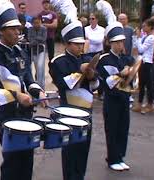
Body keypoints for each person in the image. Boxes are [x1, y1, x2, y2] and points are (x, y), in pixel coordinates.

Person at [0, 1, 47, 179]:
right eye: (13, 29)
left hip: (26, 113)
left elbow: (29, 80)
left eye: (19, 28)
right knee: (11, 163)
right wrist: (16, 96)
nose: (18, 32)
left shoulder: (20, 52)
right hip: (8, 115)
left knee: (27, 161)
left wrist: (38, 92)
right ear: (1, 31)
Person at [49, 20, 99, 180]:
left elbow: (98, 84)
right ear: (67, 43)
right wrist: (80, 70)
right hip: (69, 111)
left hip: (86, 111)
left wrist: (92, 76)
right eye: (76, 44)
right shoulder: (58, 62)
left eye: (81, 44)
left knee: (84, 149)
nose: (80, 47)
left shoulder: (86, 58)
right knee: (70, 151)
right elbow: (63, 84)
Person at [97, 21, 133, 171]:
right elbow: (106, 82)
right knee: (112, 128)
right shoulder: (104, 59)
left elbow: (133, 80)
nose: (120, 45)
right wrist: (120, 74)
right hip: (112, 99)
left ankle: (120, 156)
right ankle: (112, 158)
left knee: (123, 128)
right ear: (110, 43)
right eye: (117, 42)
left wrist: (131, 74)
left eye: (122, 42)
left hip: (125, 98)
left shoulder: (127, 59)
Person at [132, 18, 154, 114]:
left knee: (148, 84)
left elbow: (141, 49)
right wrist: (137, 38)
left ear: (150, 27)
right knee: (141, 84)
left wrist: (138, 38)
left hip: (147, 62)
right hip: (141, 61)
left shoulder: (151, 38)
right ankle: (140, 103)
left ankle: (150, 104)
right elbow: (137, 47)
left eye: (145, 26)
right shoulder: (145, 36)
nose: (143, 27)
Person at [28, 16, 47, 89]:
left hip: (41, 50)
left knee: (40, 67)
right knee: (36, 68)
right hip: (33, 51)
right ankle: (36, 85)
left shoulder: (44, 29)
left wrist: (35, 40)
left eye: (38, 23)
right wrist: (37, 40)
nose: (37, 24)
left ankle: (41, 86)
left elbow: (43, 39)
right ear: (32, 23)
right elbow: (29, 38)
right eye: (35, 23)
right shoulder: (30, 29)